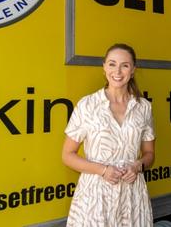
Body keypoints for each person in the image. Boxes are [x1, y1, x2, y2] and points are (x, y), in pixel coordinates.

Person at [61, 43, 155, 226]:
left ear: (133, 70)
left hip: (132, 197)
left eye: (125, 65)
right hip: (95, 198)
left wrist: (137, 166)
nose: (117, 71)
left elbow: (150, 155)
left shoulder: (144, 107)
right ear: (104, 67)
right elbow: (67, 155)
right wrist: (103, 170)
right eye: (112, 64)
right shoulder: (87, 105)